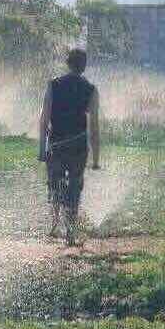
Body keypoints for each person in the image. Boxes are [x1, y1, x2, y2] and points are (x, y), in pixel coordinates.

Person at [37, 48, 101, 245]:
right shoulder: (91, 89)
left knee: (55, 184)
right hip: (78, 146)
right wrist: (96, 159)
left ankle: (55, 225)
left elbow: (44, 119)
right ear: (84, 66)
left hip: (56, 144)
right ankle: (71, 232)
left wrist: (42, 147)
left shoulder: (53, 85)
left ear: (67, 63)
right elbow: (94, 127)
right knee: (74, 185)